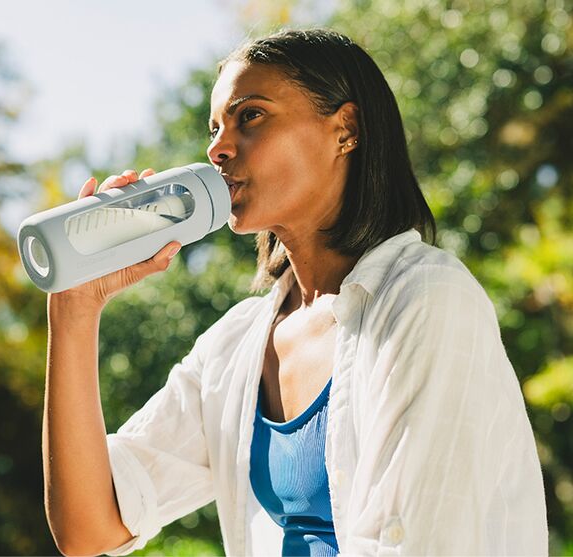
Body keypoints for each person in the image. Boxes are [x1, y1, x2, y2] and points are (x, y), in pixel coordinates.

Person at [41, 28, 548, 556]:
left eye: (250, 116)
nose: (218, 147)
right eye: (213, 127)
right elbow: (89, 527)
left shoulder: (425, 300)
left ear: (344, 128)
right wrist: (75, 310)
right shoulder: (235, 347)